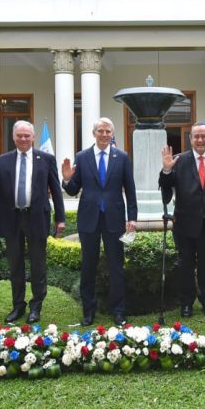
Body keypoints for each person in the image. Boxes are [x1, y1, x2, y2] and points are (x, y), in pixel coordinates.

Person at [0, 120, 66, 324]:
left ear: (33, 137)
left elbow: (56, 190)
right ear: (13, 137)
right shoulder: (2, 160)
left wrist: (60, 218)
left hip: (37, 218)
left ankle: (36, 307)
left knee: (38, 265)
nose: (23, 139)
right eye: (20, 135)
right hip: (11, 218)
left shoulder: (46, 159)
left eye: (27, 135)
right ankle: (18, 306)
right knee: (15, 265)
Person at [62, 117, 137, 326]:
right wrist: (67, 179)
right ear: (93, 133)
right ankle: (88, 311)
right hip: (89, 219)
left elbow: (130, 190)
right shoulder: (82, 156)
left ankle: (119, 311)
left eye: (108, 131)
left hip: (114, 218)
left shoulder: (121, 157)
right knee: (88, 266)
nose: (104, 135)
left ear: (112, 134)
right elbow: (73, 189)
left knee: (116, 267)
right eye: (100, 131)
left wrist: (132, 217)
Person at [159, 123, 205, 318]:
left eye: (203, 136)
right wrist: (166, 171)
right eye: (196, 137)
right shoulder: (179, 160)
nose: (200, 140)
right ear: (190, 139)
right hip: (184, 223)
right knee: (185, 265)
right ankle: (186, 303)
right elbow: (165, 187)